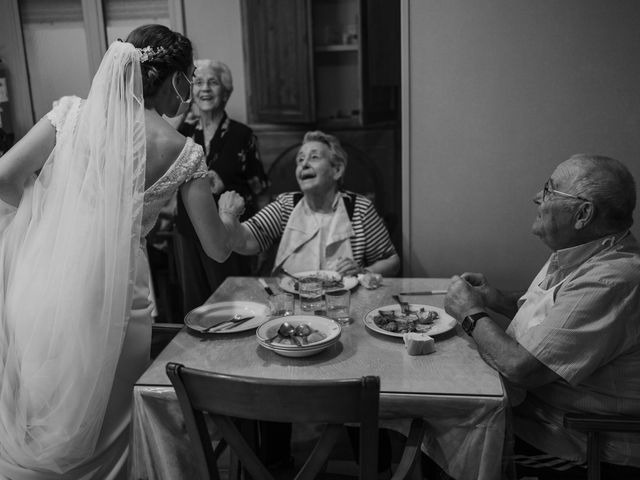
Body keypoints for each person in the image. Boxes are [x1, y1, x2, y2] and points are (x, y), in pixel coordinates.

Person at [0, 25, 237, 478]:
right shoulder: (181, 150)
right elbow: (218, 248)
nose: (187, 96)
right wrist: (229, 214)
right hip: (113, 294)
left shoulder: (69, 114)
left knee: (51, 405)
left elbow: (4, 176)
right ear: (171, 80)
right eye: (187, 81)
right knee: (109, 418)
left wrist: (46, 218)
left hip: (41, 280)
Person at [444, 154, 640, 479]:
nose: (537, 197)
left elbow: (521, 369)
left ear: (583, 213)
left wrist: (470, 313)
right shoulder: (586, 252)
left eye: (549, 190)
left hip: (577, 443)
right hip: (538, 415)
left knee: (441, 436)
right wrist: (498, 300)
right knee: (435, 428)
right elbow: (560, 318)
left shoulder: (612, 279)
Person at [219, 130, 400, 277]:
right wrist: (230, 217)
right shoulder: (286, 205)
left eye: (314, 157)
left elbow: (392, 261)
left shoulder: (359, 209)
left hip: (343, 306)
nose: (304, 164)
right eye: (300, 159)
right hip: (293, 306)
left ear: (337, 170)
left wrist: (363, 272)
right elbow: (244, 241)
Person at [172, 59, 269, 314]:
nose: (205, 89)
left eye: (213, 83)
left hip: (229, 231)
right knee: (195, 305)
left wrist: (262, 238)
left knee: (232, 304)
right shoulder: (182, 132)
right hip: (187, 229)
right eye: (199, 83)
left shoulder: (242, 135)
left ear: (226, 92)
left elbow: (259, 189)